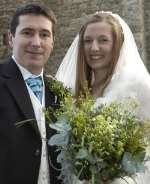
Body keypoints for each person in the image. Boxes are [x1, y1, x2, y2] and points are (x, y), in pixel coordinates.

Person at [56, 11, 150, 183]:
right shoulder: (73, 93)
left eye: (103, 40)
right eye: (88, 41)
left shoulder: (138, 87)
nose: (94, 48)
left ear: (117, 44)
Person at [0, 3, 62, 184]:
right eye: (27, 33)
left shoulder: (58, 91)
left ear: (52, 42)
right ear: (11, 39)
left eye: (44, 35)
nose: (36, 43)